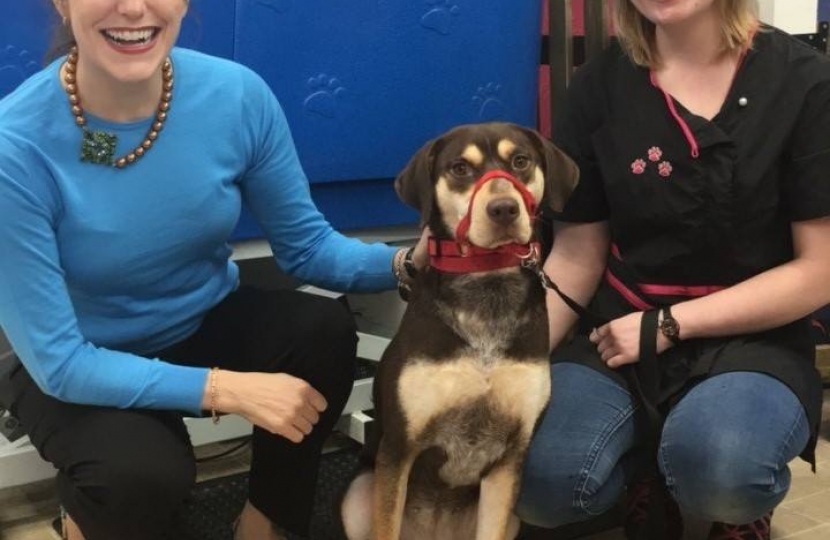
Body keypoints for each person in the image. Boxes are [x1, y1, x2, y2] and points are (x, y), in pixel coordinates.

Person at [0, 1, 426, 539]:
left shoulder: (237, 96)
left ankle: (266, 524)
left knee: (321, 332)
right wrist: (226, 389)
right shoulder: (13, 146)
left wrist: (410, 264)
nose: (133, 7)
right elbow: (60, 362)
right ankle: (84, 515)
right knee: (139, 476)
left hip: (197, 320)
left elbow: (308, 248)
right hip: (78, 360)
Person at [515, 1, 830, 539]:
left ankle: (733, 502)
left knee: (720, 470)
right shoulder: (599, 86)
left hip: (754, 335)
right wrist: (508, 365)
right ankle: (646, 473)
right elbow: (576, 253)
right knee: (541, 484)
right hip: (617, 330)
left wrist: (670, 325)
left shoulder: (802, 81)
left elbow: (819, 270)